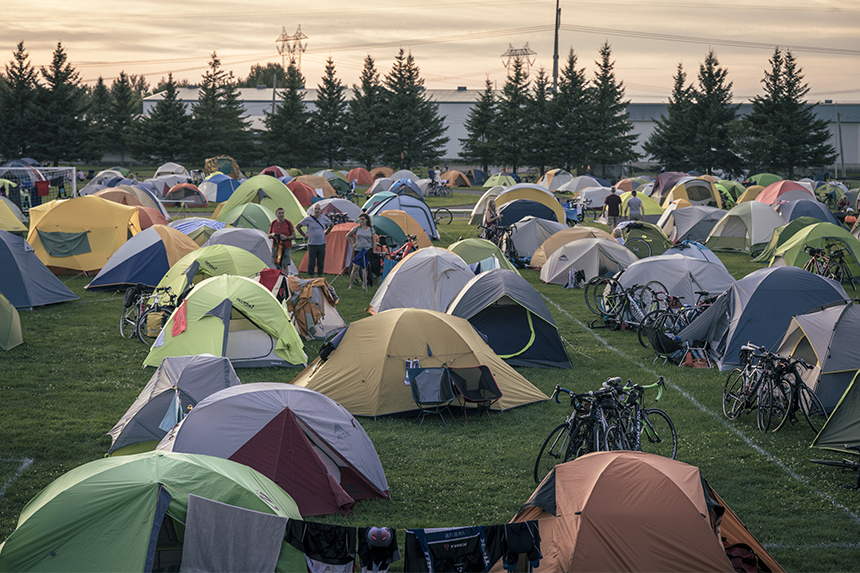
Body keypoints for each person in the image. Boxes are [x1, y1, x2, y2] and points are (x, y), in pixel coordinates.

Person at [297, 203, 332, 278]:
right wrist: (304, 235)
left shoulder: (324, 218)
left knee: (320, 262)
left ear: (321, 210)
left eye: (318, 209)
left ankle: (320, 277)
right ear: (313, 210)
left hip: (322, 244)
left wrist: (326, 232)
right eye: (315, 209)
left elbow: (331, 225)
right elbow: (298, 226)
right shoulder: (308, 219)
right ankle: (311, 278)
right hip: (312, 244)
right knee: (311, 262)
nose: (317, 210)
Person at [346, 213, 375, 289]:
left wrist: (374, 250)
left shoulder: (371, 229)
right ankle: (351, 285)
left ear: (367, 220)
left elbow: (374, 241)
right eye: (360, 219)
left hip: (367, 250)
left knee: (365, 268)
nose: (361, 221)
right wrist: (352, 244)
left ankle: (364, 285)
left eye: (363, 219)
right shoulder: (357, 228)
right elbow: (348, 235)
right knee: (355, 268)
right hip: (358, 250)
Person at [268, 207, 296, 272]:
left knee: (285, 264)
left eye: (282, 213)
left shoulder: (288, 223)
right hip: (276, 247)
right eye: (279, 213)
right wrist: (272, 235)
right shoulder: (273, 223)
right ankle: (279, 278)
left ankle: (285, 279)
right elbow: (269, 235)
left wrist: (286, 238)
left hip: (286, 247)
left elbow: (294, 236)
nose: (281, 215)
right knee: (277, 264)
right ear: (276, 214)